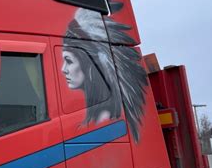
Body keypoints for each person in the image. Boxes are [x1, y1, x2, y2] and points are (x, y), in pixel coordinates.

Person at [62, 8, 148, 142]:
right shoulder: (97, 116)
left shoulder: (102, 119)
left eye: (68, 61)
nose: (63, 69)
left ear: (89, 64)